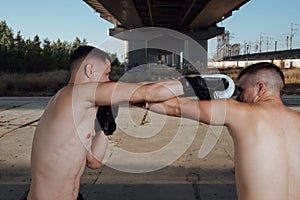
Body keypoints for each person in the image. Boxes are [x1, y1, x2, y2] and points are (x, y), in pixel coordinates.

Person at [25, 45, 191, 200]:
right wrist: (198, 83)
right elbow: (147, 92)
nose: (108, 80)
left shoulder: (80, 107)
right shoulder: (73, 94)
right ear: (90, 69)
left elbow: (93, 161)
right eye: (106, 74)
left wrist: (105, 128)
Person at [148, 62, 300, 200]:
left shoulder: (239, 111)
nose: (239, 97)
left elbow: (172, 106)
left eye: (242, 90)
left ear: (260, 88)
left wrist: (138, 96)